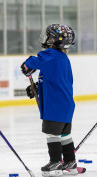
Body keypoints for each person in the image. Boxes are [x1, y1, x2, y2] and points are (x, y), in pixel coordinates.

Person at [21, 24, 77, 177]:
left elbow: (32, 62)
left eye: (48, 36)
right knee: (65, 135)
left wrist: (26, 65)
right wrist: (39, 88)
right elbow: (56, 80)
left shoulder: (50, 55)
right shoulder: (63, 58)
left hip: (55, 106)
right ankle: (70, 162)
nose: (45, 39)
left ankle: (55, 162)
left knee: (52, 135)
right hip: (66, 105)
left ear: (54, 41)